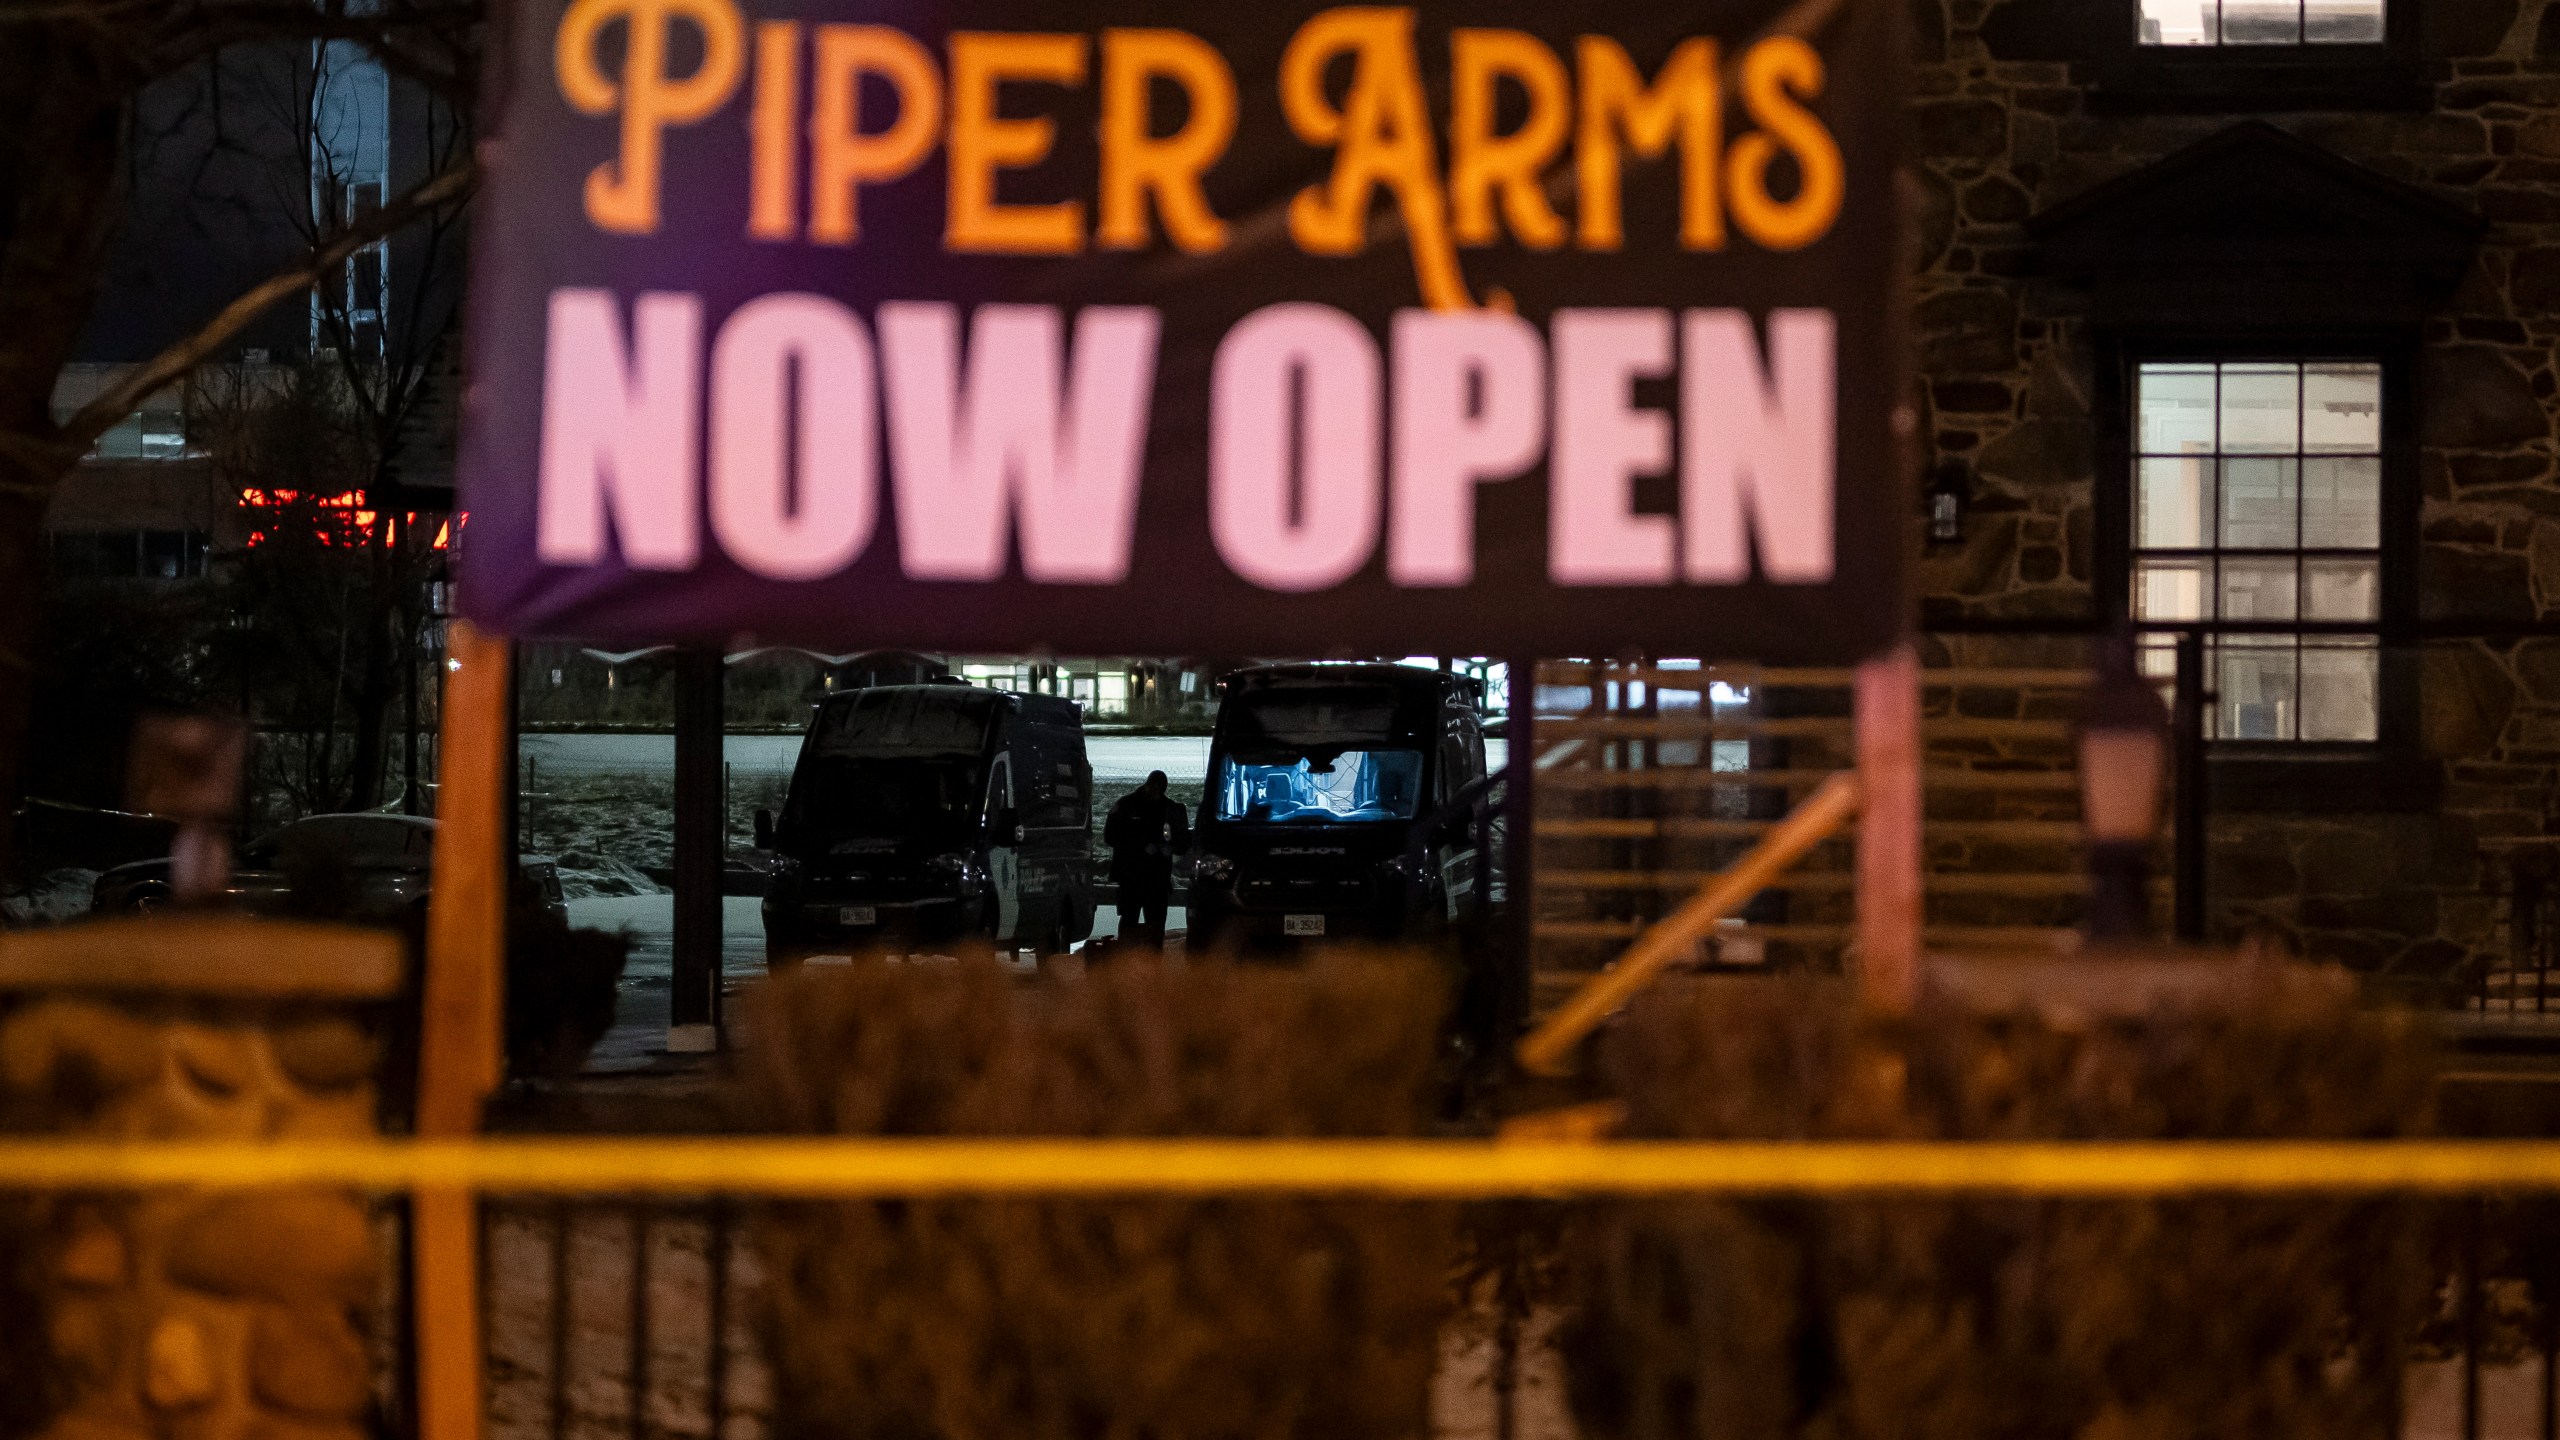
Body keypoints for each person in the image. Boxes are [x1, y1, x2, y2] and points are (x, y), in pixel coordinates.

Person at [1105, 770, 1188, 949]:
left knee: (1155, 924)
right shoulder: (1126, 805)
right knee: (1130, 921)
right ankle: (1127, 959)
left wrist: (1170, 848)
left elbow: (1183, 841)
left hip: (1156, 878)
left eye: (1159, 789)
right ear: (1148, 785)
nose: (1155, 793)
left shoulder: (1170, 809)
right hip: (1131, 875)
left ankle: (1152, 962)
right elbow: (1110, 836)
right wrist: (1140, 848)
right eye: (1153, 788)